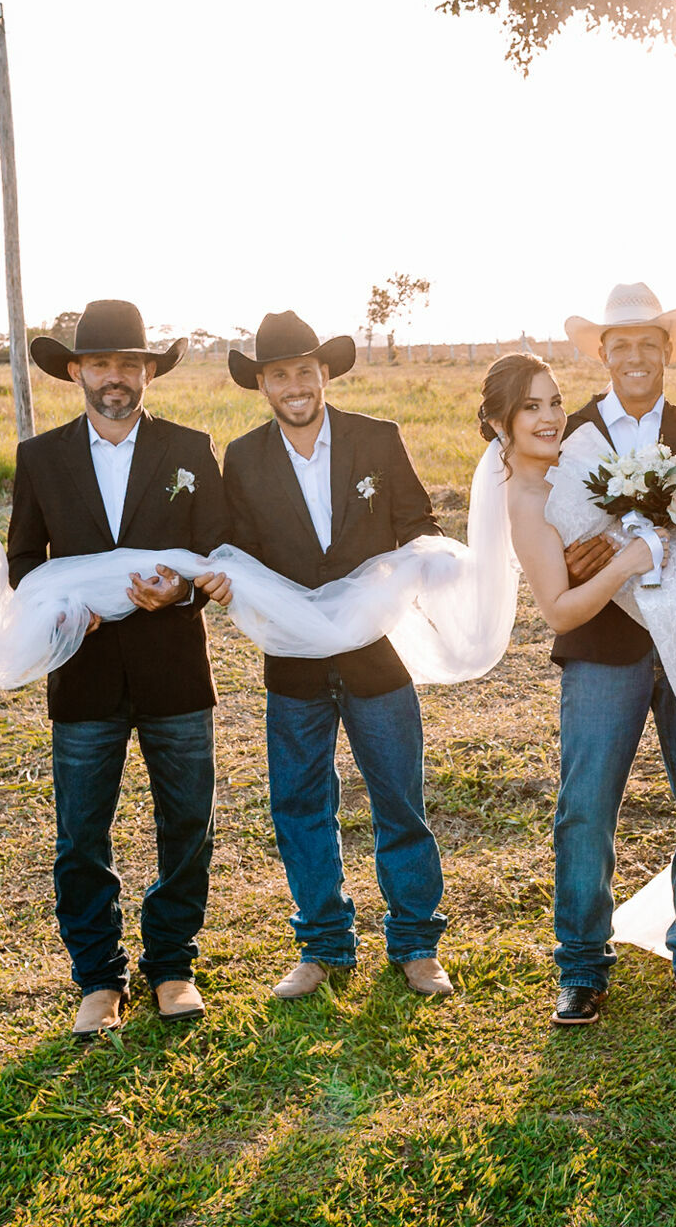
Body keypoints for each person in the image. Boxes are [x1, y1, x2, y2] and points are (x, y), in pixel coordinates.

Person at [8, 300, 233, 1038]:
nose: (116, 378)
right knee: (80, 833)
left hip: (174, 671)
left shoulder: (191, 448)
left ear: (148, 373)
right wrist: (68, 613)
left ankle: (171, 964)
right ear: (75, 371)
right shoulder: (40, 458)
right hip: (83, 673)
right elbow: (22, 566)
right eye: (101, 363)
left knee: (187, 822)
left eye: (130, 365)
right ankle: (98, 978)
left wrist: (177, 592)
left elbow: (218, 554)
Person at [219, 310, 453, 1001]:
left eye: (304, 369)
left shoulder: (377, 440)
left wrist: (426, 563)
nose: (294, 384)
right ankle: (323, 943)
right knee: (298, 802)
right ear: (262, 384)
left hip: (376, 655)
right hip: (292, 659)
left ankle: (415, 942)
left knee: (398, 798)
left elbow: (418, 523)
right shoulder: (243, 457)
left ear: (324, 373)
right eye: (278, 373)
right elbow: (238, 549)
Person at [549, 283, 676, 1026]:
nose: (634, 356)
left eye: (647, 344)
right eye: (619, 344)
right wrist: (572, 559)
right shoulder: (569, 436)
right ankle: (581, 964)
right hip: (603, 638)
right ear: (603, 354)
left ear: (669, 353)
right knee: (587, 803)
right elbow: (542, 539)